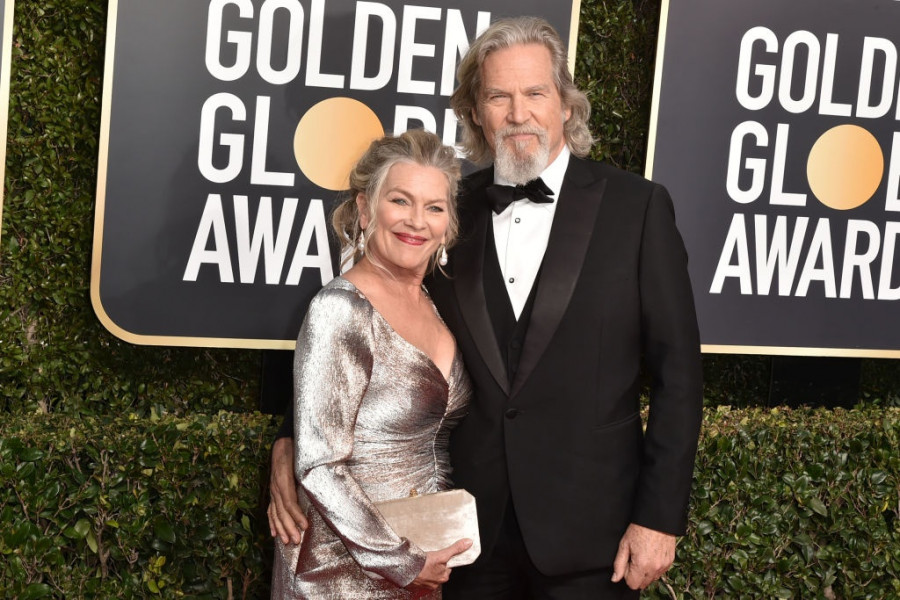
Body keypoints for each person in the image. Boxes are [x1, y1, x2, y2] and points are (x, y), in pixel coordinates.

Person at [269, 16, 703, 599]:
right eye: (499, 96)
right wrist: (290, 442)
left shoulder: (638, 208)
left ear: (566, 104)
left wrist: (659, 519)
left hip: (593, 536)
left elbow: (680, 375)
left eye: (535, 93)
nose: (518, 113)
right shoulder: (447, 209)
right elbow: (367, 315)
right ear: (476, 112)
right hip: (467, 538)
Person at [269, 129, 474, 599]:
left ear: (448, 224)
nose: (416, 221)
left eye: (434, 207)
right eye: (400, 201)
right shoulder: (341, 309)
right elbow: (319, 464)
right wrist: (400, 560)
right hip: (339, 573)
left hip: (424, 563)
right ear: (365, 209)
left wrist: (416, 562)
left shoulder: (437, 306)